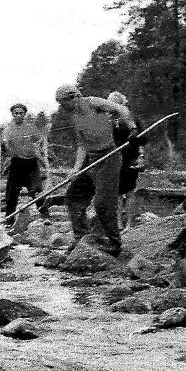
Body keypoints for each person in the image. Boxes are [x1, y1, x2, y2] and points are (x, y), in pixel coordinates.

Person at [55, 84, 133, 256]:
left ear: (73, 97)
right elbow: (82, 145)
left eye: (62, 102)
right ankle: (81, 237)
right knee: (73, 196)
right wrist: (75, 169)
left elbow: (121, 109)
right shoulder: (75, 116)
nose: (61, 107)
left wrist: (132, 128)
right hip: (91, 159)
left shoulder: (93, 102)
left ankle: (113, 242)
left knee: (103, 203)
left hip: (109, 157)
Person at [0, 102, 51, 226]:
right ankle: (9, 220)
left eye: (21, 113)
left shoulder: (31, 127)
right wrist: (3, 146)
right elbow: (4, 148)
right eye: (16, 113)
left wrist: (42, 155)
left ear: (24, 114)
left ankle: (45, 216)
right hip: (16, 164)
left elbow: (39, 141)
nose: (18, 115)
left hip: (31, 163)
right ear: (12, 114)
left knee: (37, 190)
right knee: (12, 193)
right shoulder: (7, 130)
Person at [107, 91, 146, 230]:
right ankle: (118, 223)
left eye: (115, 102)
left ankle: (129, 224)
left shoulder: (131, 118)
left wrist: (141, 157)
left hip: (130, 157)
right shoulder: (107, 120)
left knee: (129, 190)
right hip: (114, 158)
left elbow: (142, 139)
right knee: (116, 192)